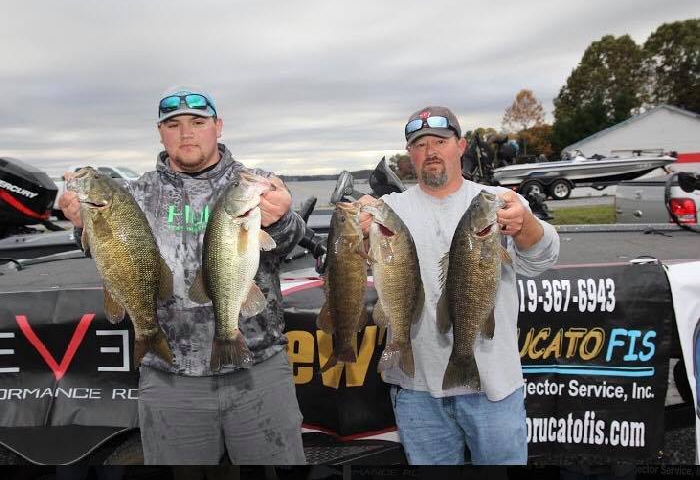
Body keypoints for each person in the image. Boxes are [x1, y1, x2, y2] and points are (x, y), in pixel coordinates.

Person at [58, 85, 307, 465]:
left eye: (197, 122)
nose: (186, 132)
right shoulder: (134, 193)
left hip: (257, 370)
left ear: (218, 126)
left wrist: (284, 220)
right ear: (160, 132)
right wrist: (81, 223)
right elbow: (105, 253)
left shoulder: (256, 185)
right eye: (173, 124)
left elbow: (289, 246)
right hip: (170, 376)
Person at [358, 106, 560, 465]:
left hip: (494, 388)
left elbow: (541, 259)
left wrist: (525, 224)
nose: (430, 151)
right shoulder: (389, 210)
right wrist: (352, 225)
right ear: (410, 155)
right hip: (416, 388)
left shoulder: (499, 202)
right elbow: (350, 264)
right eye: (420, 145)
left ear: (461, 145)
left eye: (440, 141)